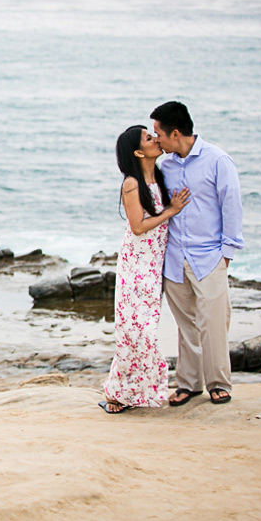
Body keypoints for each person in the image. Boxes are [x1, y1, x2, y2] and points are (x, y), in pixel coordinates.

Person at [150, 101, 244, 406]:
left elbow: (231, 205)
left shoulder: (218, 160)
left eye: (158, 134)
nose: (156, 140)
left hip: (209, 257)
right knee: (186, 325)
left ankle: (219, 383)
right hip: (174, 259)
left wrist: (226, 254)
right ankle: (189, 384)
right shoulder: (166, 166)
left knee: (214, 323)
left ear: (175, 133)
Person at [100, 126, 190, 414]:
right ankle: (116, 391)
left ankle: (133, 392)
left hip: (154, 264)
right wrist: (171, 211)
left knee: (145, 328)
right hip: (135, 263)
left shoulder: (161, 177)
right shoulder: (131, 184)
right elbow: (138, 227)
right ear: (139, 152)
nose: (155, 140)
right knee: (133, 330)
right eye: (149, 138)